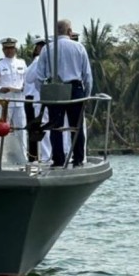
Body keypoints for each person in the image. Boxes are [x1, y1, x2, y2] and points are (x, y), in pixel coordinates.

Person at [36, 19, 93, 167]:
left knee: (56, 127)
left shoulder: (47, 49)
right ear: (69, 31)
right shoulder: (79, 47)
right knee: (77, 126)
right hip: (75, 88)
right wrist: (87, 94)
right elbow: (87, 74)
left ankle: (58, 159)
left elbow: (39, 76)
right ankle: (78, 159)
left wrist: (43, 93)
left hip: (54, 89)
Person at [0, 37, 28, 155]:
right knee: (3, 128)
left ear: (15, 49)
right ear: (3, 49)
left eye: (11, 48)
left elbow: (26, 79)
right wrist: (0, 88)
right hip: (5, 101)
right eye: (6, 48)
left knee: (21, 129)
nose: (9, 51)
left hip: (19, 100)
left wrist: (24, 87)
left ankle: (22, 156)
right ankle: (3, 155)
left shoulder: (22, 63)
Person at [23, 36, 50, 163]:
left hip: (40, 97)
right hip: (53, 97)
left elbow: (29, 78)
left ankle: (46, 157)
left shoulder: (38, 60)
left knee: (44, 126)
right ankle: (52, 155)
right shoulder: (54, 59)